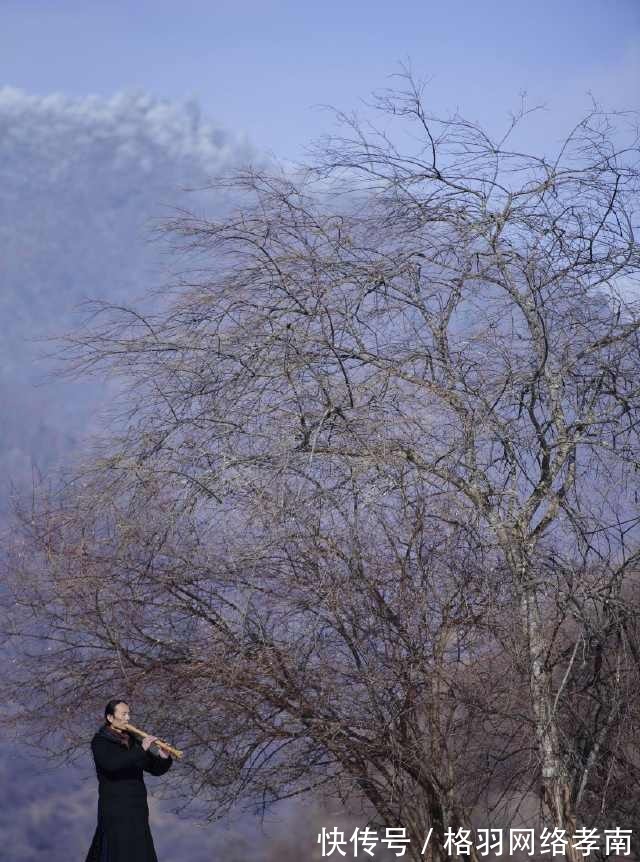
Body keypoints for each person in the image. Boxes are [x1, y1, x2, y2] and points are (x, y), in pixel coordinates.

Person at [85, 699, 173, 862]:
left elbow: (154, 768)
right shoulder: (100, 742)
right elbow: (112, 765)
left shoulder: (131, 740)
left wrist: (164, 756)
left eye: (128, 714)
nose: (128, 718)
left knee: (140, 851)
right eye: (123, 714)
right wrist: (141, 750)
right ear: (110, 718)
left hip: (137, 807)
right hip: (115, 807)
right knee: (117, 851)